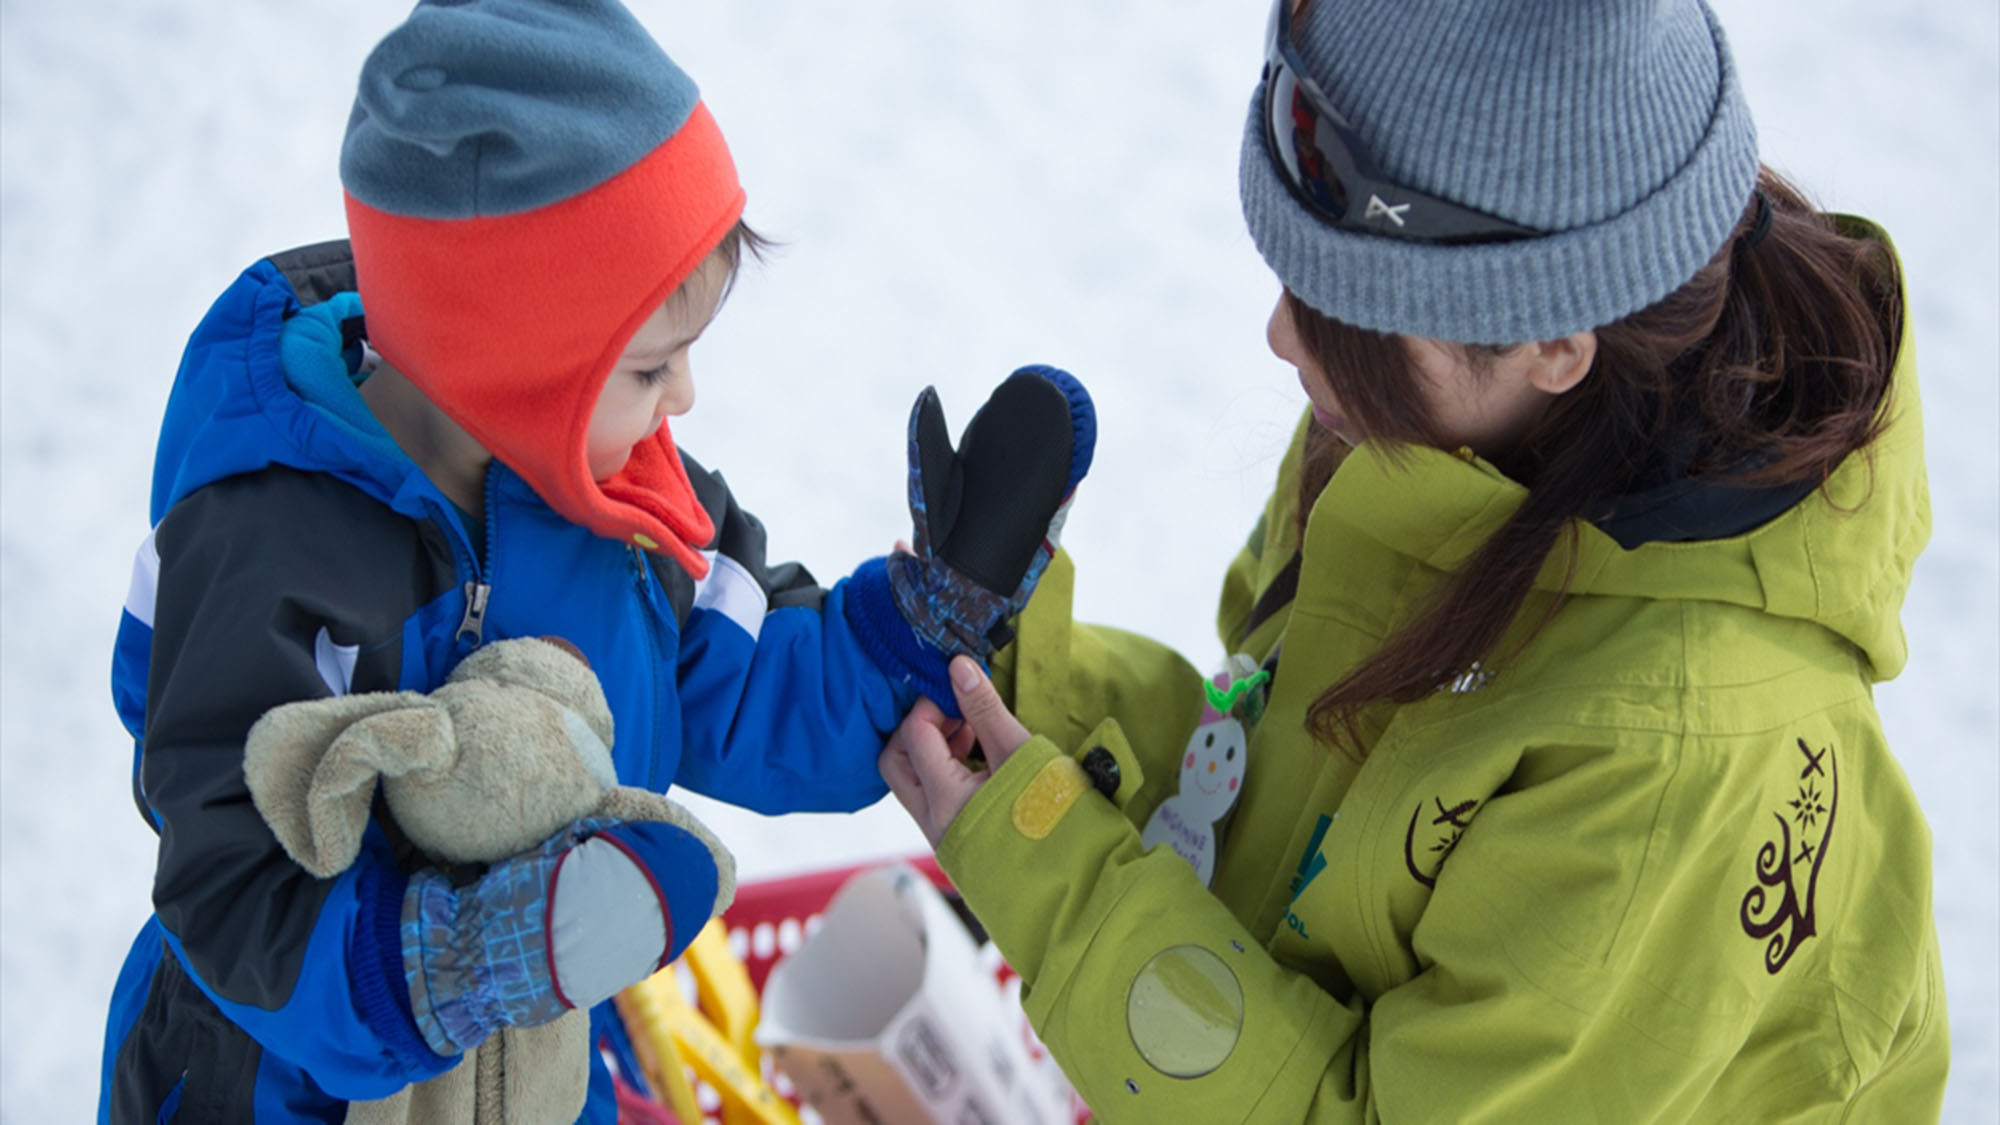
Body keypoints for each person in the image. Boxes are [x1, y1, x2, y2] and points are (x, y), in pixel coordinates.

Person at [879, 0, 1949, 1120]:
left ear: (1551, 347)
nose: (1282, 337)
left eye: (1347, 309)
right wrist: (1018, 678)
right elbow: (1277, 795)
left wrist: (1049, 873)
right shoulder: (1436, 424)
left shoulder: (1673, 767)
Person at [95, 1, 1092, 1121]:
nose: (683, 400)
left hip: (550, 1073)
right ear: (508, 359)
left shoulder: (617, 502)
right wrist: (459, 961)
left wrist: (906, 632)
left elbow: (752, 676)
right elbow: (233, 891)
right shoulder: (268, 547)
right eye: (651, 366)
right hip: (280, 1092)